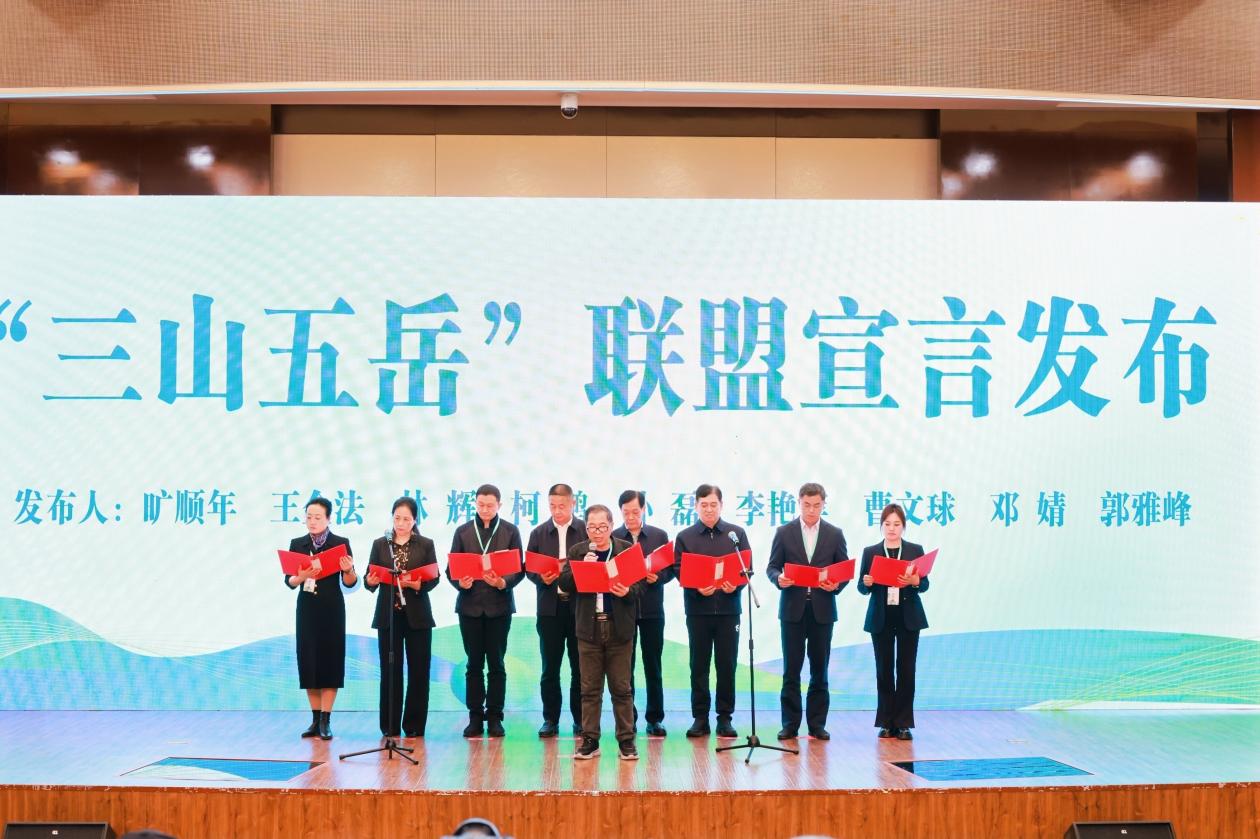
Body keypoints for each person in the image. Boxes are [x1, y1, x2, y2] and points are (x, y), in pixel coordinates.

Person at [559, 504, 644, 760]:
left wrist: (627, 591)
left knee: (622, 688)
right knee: (589, 689)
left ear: (611, 525)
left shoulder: (626, 550)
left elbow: (640, 586)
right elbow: (564, 584)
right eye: (592, 527)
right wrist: (580, 568)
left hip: (619, 628)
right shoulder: (578, 551)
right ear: (586, 528)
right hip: (589, 628)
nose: (597, 532)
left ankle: (626, 741)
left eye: (602, 527)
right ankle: (590, 740)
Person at [765, 483, 849, 741]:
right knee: (791, 669)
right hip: (793, 610)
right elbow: (772, 567)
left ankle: (817, 724)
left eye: (816, 505)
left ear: (824, 504)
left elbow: (844, 571)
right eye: (806, 505)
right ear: (799, 503)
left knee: (819, 670)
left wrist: (836, 584)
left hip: (822, 610)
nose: (811, 510)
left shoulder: (834, 534)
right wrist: (779, 579)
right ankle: (790, 725)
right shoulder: (784, 532)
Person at [447, 483, 524, 738]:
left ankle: (494, 717)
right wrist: (460, 582)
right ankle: (475, 717)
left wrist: (502, 582)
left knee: (497, 665)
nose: (485, 509)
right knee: (473, 665)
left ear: (499, 505)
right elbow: (451, 569)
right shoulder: (463, 531)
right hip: (469, 607)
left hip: (499, 608)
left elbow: (519, 569)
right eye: (481, 505)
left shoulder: (510, 531)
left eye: (490, 505)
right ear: (475, 504)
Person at [674, 483, 748, 739]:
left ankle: (725, 718)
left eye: (713, 504)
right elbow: (678, 571)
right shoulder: (685, 537)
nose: (708, 509)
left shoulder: (736, 534)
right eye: (703, 505)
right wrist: (696, 588)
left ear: (721, 505)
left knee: (727, 665)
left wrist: (735, 585)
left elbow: (746, 569)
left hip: (729, 611)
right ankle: (700, 718)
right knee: (699, 665)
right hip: (698, 611)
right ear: (696, 506)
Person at [364, 496, 440, 738]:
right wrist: (370, 581)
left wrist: (418, 584)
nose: (401, 523)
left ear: (415, 520)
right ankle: (390, 725)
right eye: (397, 518)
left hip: (417, 616)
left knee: (419, 672)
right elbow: (369, 577)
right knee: (390, 671)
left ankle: (414, 725)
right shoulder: (380, 544)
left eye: (406, 519)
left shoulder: (425, 544)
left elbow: (434, 578)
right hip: (389, 616)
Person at [283, 496, 357, 740]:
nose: (312, 521)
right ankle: (315, 719)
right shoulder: (298, 544)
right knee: (309, 661)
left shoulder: (340, 544)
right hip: (307, 610)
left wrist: (348, 570)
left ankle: (326, 719)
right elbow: (290, 581)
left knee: (330, 661)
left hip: (331, 609)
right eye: (308, 517)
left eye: (317, 517)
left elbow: (350, 582)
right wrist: (302, 575)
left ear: (328, 519)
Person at [857, 502, 929, 741]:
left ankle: (904, 724)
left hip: (908, 617)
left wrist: (915, 581)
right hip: (881, 617)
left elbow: (925, 584)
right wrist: (866, 583)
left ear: (903, 526)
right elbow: (861, 587)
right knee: (884, 670)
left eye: (896, 524)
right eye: (887, 524)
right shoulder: (871, 552)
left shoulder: (915, 550)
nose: (891, 528)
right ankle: (887, 723)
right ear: (881, 525)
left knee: (907, 670)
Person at [525, 483, 586, 738]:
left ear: (573, 503)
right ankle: (550, 719)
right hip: (549, 609)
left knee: (580, 668)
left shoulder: (585, 530)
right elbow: (529, 568)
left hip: (578, 609)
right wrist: (542, 578)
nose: (557, 511)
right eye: (552, 506)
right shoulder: (539, 533)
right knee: (549, 668)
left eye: (562, 506)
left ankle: (581, 720)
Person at [612, 489, 672, 737]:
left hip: (652, 610)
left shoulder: (659, 535)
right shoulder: (614, 537)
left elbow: (670, 570)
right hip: (623, 610)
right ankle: (629, 719)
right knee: (625, 669)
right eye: (626, 512)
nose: (630, 517)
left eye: (635, 512)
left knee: (653, 666)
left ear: (644, 509)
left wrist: (658, 577)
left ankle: (655, 719)